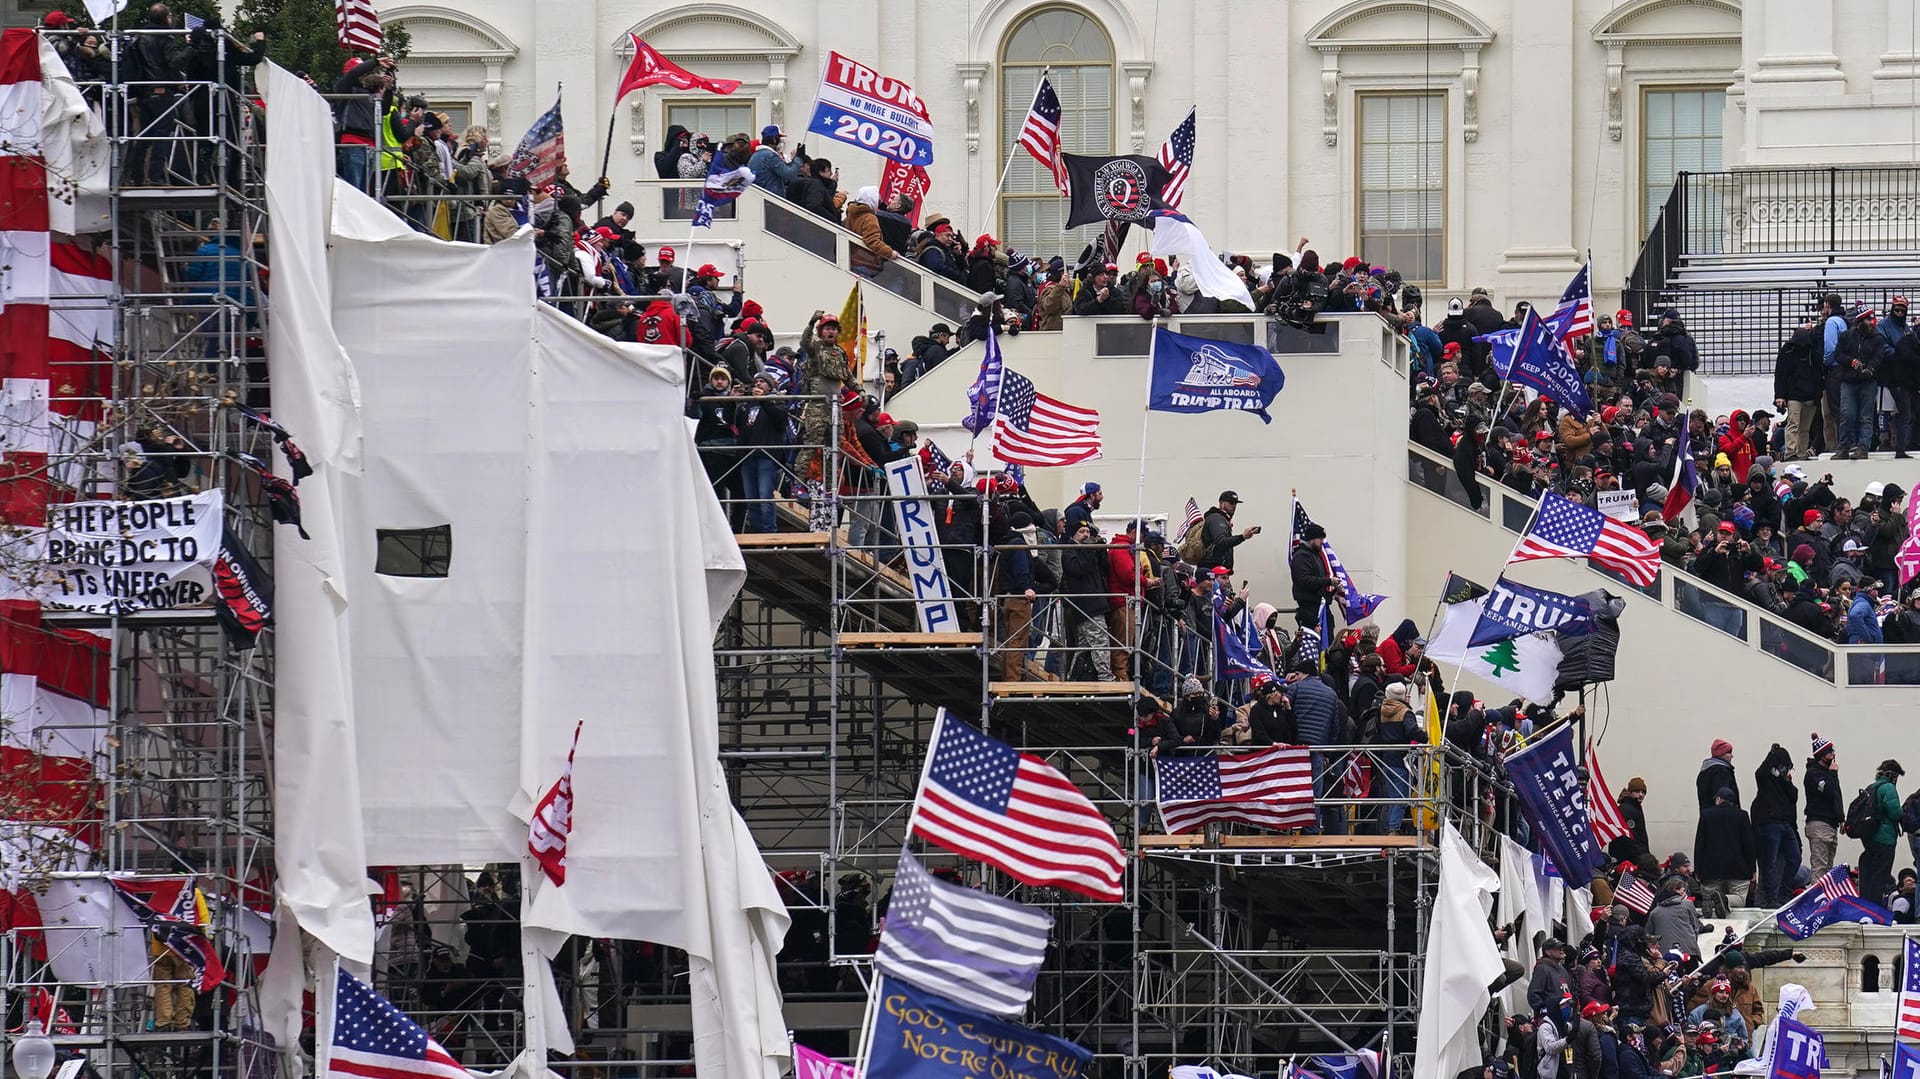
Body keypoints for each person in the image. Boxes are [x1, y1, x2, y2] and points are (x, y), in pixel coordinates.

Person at [1749, 744, 1800, 907]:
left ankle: (1783, 894)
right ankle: (1772, 899)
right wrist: (1772, 757)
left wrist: (1785, 779)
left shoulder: (1784, 783)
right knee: (1768, 863)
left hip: (1784, 824)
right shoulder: (1765, 779)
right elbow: (1760, 773)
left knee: (1795, 858)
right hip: (1769, 823)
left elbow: (1794, 796)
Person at [1693, 787, 1755, 908]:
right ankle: (1725, 899)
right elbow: (1749, 845)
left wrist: (1698, 870)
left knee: (1710, 906)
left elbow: (1700, 844)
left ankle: (1714, 902)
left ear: (1718, 799)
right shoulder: (1742, 815)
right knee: (1739, 899)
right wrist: (1752, 869)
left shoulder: (1706, 815)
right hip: (1738, 868)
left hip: (1711, 869)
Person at [1859, 759, 1905, 903]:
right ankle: (1875, 908)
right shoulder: (1888, 788)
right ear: (1893, 774)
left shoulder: (1871, 787)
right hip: (1885, 838)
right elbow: (1895, 813)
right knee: (1881, 875)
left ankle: (1866, 907)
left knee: (1870, 874)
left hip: (1870, 837)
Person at [1289, 521, 1337, 629]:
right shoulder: (1301, 557)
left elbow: (1319, 582)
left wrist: (1334, 590)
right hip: (1309, 609)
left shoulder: (1317, 557)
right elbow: (1304, 580)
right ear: (1312, 539)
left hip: (1321, 606)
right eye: (1320, 538)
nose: (1322, 542)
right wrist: (1329, 581)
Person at [1198, 491, 1260, 573]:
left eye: (1235, 504)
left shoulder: (1221, 520)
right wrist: (1243, 536)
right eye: (1231, 503)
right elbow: (1221, 542)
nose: (1234, 506)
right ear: (1221, 503)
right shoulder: (1216, 519)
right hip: (1213, 571)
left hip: (1218, 570)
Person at [748, 125, 803, 197]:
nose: (780, 141)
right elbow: (789, 175)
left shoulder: (755, 156)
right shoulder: (770, 156)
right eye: (779, 138)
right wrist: (798, 158)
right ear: (774, 139)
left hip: (759, 196)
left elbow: (781, 175)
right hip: (771, 199)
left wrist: (792, 162)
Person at [1695, 739, 1736, 811]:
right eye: (1729, 753)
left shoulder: (1705, 770)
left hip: (1708, 816)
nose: (1732, 756)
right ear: (1721, 754)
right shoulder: (1720, 772)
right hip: (1722, 818)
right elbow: (1723, 798)